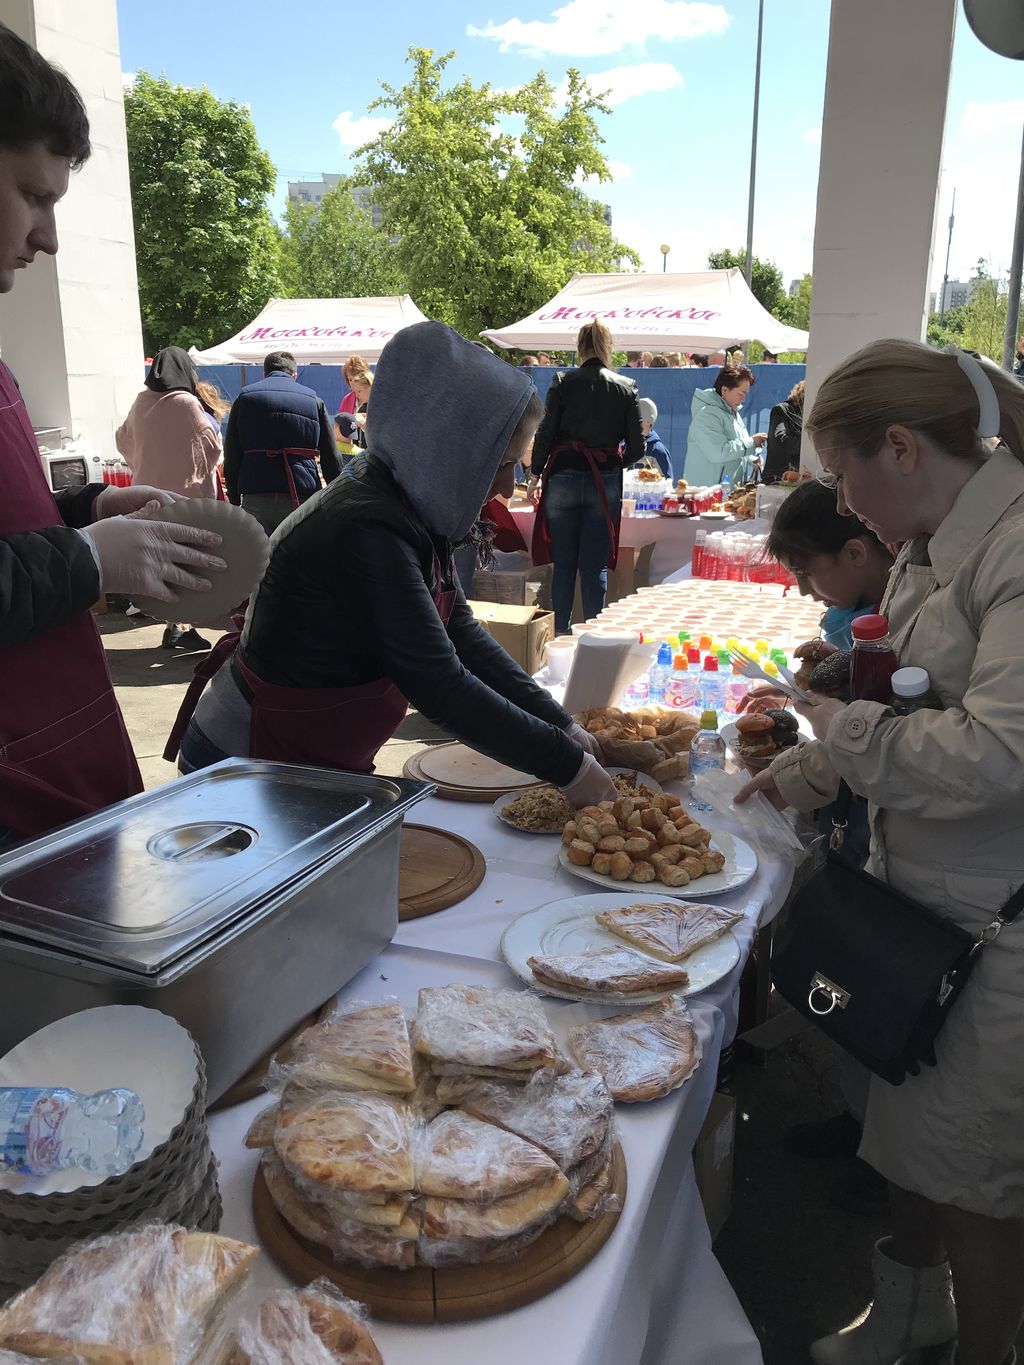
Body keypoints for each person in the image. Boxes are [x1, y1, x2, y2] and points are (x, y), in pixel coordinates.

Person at [737, 339, 1024, 1365]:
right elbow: (895, 693)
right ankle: (910, 1313)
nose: (839, 501)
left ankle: (981, 1345)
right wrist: (810, 762)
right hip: (924, 898)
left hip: (996, 926)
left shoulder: (1015, 547)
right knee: (908, 1142)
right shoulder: (929, 541)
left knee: (978, 1188)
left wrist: (834, 728)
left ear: (898, 448)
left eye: (839, 471)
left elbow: (994, 755)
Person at [170, 322, 616, 810]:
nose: (509, 487)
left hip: (312, 761)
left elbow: (460, 632)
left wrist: (558, 721)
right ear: (447, 454)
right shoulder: (365, 528)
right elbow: (439, 683)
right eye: (501, 464)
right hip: (248, 765)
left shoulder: (409, 502)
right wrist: (565, 765)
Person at [0, 21, 225, 842]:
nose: (49, 236)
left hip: (64, 784)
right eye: (32, 193)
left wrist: (90, 508)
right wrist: (91, 559)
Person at [528, 319, 644, 634]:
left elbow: (545, 433)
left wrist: (534, 474)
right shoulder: (625, 387)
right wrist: (611, 457)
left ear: (580, 347)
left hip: (563, 476)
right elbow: (636, 448)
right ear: (608, 347)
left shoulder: (563, 381)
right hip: (602, 479)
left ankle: (560, 633)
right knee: (593, 567)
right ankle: (593, 635)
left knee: (564, 565)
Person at [116, 348, 224, 650]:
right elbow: (211, 446)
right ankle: (180, 626)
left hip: (148, 497)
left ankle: (174, 624)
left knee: (163, 563)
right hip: (184, 498)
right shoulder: (187, 403)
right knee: (186, 564)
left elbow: (122, 438)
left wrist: (143, 462)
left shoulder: (141, 401)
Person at [222, 350, 341, 535]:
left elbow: (232, 452)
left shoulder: (245, 398)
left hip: (256, 491)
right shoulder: (314, 400)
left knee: (259, 557)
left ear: (264, 373)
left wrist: (234, 497)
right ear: (294, 374)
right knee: (297, 557)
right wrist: (335, 496)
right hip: (302, 494)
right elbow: (330, 455)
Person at [684, 363, 767, 486]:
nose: (743, 399)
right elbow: (718, 452)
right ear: (724, 390)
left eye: (745, 394)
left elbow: (736, 446)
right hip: (706, 495)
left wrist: (752, 459)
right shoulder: (707, 415)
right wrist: (752, 442)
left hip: (723, 492)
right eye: (740, 393)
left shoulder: (732, 412)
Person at [761, 378, 806, 484]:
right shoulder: (782, 410)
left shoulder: (809, 415)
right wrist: (808, 442)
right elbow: (780, 441)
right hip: (776, 480)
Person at [336, 355, 371, 457]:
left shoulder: (375, 399)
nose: (353, 383)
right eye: (350, 379)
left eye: (355, 378)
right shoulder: (346, 400)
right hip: (353, 455)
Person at [637, 397, 672, 478]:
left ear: (648, 422)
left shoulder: (658, 451)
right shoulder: (625, 446)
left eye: (636, 418)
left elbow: (667, 483)